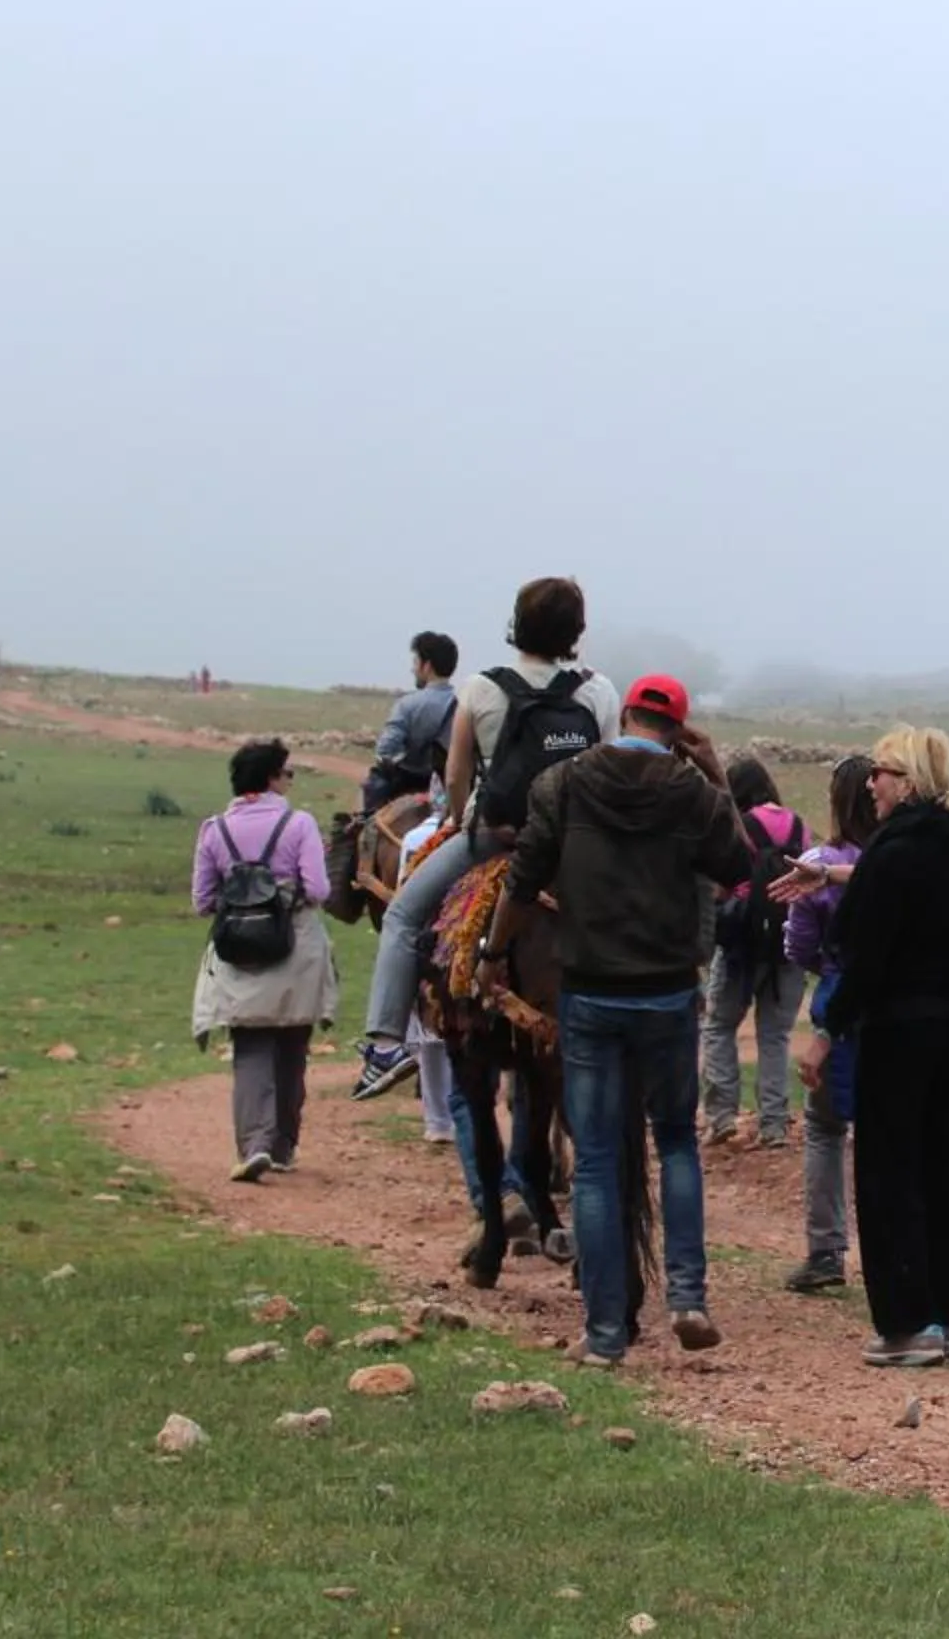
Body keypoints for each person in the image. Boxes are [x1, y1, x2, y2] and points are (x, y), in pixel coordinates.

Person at [506, 672, 746, 1366]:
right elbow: (736, 864)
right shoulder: (690, 792)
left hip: (590, 994)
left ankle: (606, 1335)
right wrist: (715, 775)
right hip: (669, 995)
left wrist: (492, 953)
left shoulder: (566, 782)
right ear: (676, 728)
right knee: (675, 1142)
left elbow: (525, 878)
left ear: (627, 717)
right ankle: (688, 1297)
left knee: (598, 1161)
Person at [353, 579, 618, 1100]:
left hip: (497, 838)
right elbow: (604, 771)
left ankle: (386, 1045)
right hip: (573, 845)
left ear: (516, 625)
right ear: (576, 631)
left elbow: (456, 775)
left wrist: (459, 820)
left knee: (405, 914)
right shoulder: (600, 690)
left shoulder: (480, 688)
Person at [802, 725, 949, 1366]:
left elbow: (866, 957)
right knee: (944, 1172)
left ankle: (908, 1326)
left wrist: (827, 1031)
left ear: (907, 781)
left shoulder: (891, 852)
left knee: (888, 1174)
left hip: (897, 1032)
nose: (870, 783)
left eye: (880, 771)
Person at [189, 739, 336, 1182]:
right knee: (293, 1046)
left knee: (250, 1046)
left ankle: (253, 1144)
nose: (290, 780)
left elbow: (202, 900)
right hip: (295, 944)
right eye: (287, 773)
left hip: (239, 951)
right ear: (272, 777)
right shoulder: (300, 823)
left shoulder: (214, 829)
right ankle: (283, 1146)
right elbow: (318, 889)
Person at [777, 754, 880, 1294]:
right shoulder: (894, 858)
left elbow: (798, 947)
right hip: (891, 1009)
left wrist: (831, 970)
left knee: (824, 1128)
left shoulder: (819, 863)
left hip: (837, 1007)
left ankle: (826, 1250)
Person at [700, 755, 810, 1145]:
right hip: (787, 939)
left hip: (741, 943)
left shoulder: (738, 825)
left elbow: (722, 882)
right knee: (775, 1034)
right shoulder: (799, 824)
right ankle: (774, 1123)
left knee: (718, 1026)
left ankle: (722, 1115)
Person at [361, 632, 459, 813]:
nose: (412, 669)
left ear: (427, 666)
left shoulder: (408, 704)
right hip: (450, 797)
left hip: (405, 791)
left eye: (415, 662)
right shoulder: (464, 705)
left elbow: (384, 751)